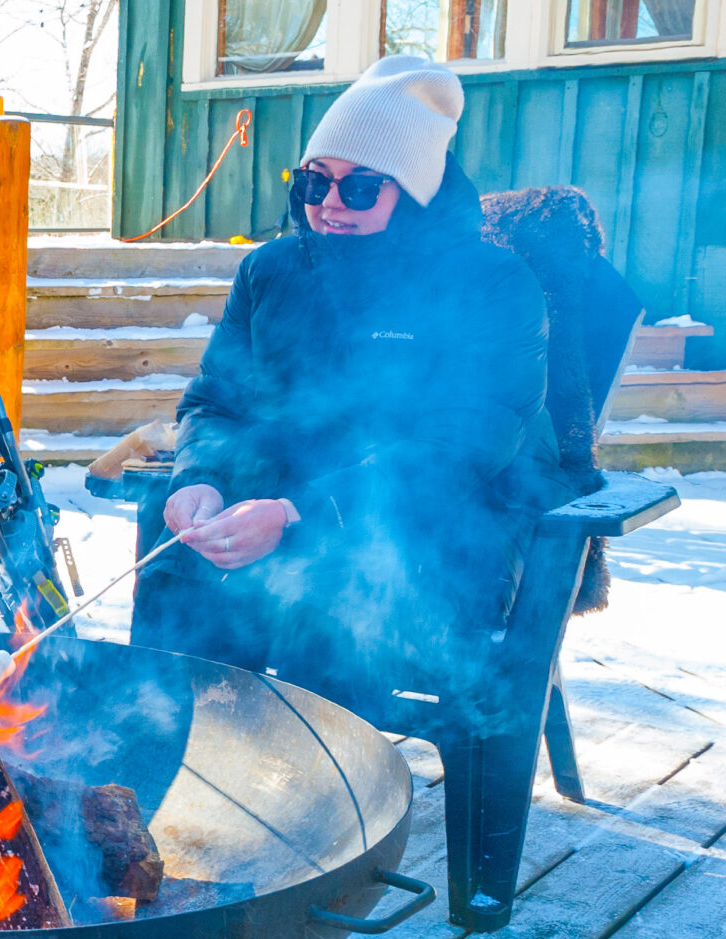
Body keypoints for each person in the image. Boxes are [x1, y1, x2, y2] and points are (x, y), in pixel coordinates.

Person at [130, 55, 572, 713]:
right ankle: (179, 775)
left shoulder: (492, 287)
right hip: (280, 509)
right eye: (314, 182)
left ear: (417, 192)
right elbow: (219, 400)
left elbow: (462, 448)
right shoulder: (271, 273)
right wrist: (202, 477)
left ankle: (323, 801)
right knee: (174, 566)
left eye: (361, 187)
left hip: (437, 534)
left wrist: (295, 515)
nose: (330, 204)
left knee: (333, 589)